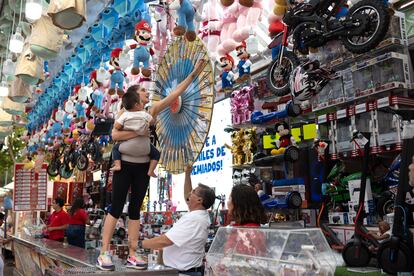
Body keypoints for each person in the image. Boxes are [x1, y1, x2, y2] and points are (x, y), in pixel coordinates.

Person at [97, 59, 207, 271]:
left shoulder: (153, 109)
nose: (147, 93)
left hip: (142, 167)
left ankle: (132, 253)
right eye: (143, 91)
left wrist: (193, 74)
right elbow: (115, 135)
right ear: (135, 97)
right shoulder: (124, 113)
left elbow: (175, 94)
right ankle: (104, 252)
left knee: (136, 209)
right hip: (124, 165)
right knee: (116, 207)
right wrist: (137, 132)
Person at [135, 165, 215, 276]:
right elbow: (187, 195)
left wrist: (139, 244)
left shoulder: (194, 219)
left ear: (199, 200)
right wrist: (187, 174)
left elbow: (166, 241)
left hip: (185, 273)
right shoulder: (199, 214)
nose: (189, 193)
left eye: (193, 192)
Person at [110, 89, 160, 177]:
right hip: (145, 148)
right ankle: (151, 170)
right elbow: (152, 121)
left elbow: (117, 126)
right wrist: (148, 124)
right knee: (156, 154)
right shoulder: (144, 114)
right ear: (137, 105)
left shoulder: (125, 115)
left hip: (126, 146)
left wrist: (122, 127)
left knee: (115, 149)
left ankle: (117, 165)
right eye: (140, 102)